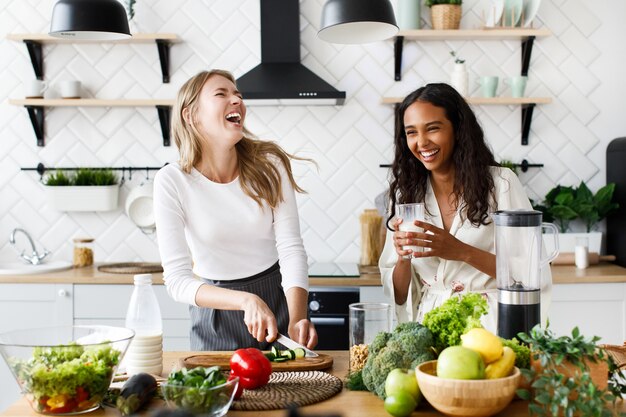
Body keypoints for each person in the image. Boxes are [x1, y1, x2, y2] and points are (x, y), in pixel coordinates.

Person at [153, 69, 317, 350]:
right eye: (222, 94)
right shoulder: (172, 181)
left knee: (290, 393)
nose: (237, 100)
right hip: (214, 313)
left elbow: (290, 247)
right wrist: (244, 301)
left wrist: (297, 318)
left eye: (238, 95)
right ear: (191, 115)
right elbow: (177, 281)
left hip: (277, 303)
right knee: (216, 394)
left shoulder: (269, 165)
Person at [378, 83, 551, 332]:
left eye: (433, 129)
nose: (422, 142)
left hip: (491, 327)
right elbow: (400, 294)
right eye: (411, 132)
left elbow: (527, 273)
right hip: (431, 329)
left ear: (458, 129)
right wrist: (403, 258)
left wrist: (460, 251)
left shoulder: (500, 184)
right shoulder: (407, 194)